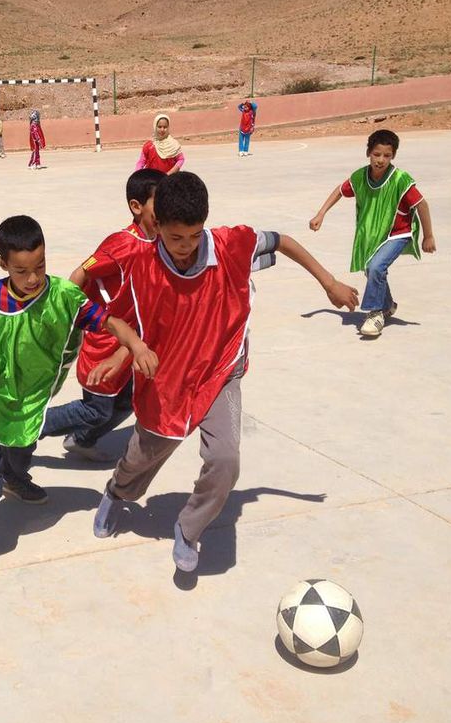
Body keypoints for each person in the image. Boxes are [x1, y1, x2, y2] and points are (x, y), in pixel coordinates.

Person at [89, 173, 359, 573]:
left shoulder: (230, 245)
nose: (186, 247)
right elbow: (127, 321)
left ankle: (189, 529)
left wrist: (329, 281)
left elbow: (281, 240)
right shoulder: (142, 268)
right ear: (157, 226)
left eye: (194, 236)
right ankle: (117, 492)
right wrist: (126, 352)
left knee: (227, 460)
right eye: (176, 238)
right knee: (143, 454)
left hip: (220, 371)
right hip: (168, 375)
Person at [0, 215, 158, 575]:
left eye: (41, 266)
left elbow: (110, 321)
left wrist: (136, 345)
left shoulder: (63, 297)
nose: (34, 278)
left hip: (30, 396)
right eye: (22, 271)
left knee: (21, 447)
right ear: (3, 264)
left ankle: (15, 477)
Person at [41, 169, 167, 462]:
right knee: (97, 408)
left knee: (128, 401)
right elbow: (80, 273)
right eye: (160, 202)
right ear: (136, 207)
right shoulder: (121, 244)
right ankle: (29, 425)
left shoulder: (162, 242)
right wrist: (60, 317)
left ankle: (82, 439)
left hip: (131, 343)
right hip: (105, 341)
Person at [308, 129, 437, 337]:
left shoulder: (400, 179)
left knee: (376, 267)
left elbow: (422, 205)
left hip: (398, 233)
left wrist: (428, 235)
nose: (381, 160)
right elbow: (340, 190)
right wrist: (320, 213)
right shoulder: (360, 177)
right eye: (377, 154)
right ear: (368, 152)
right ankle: (388, 305)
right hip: (373, 235)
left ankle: (375, 313)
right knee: (372, 269)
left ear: (393, 156)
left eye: (387, 155)